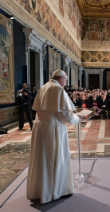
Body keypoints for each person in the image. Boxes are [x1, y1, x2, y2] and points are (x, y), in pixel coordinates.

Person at [27, 70, 81, 204]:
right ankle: (57, 191)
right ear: (61, 78)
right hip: (53, 129)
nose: (66, 83)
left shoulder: (43, 87)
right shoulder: (57, 89)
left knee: (42, 159)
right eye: (66, 80)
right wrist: (77, 118)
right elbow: (65, 115)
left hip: (40, 128)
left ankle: (40, 191)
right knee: (55, 158)